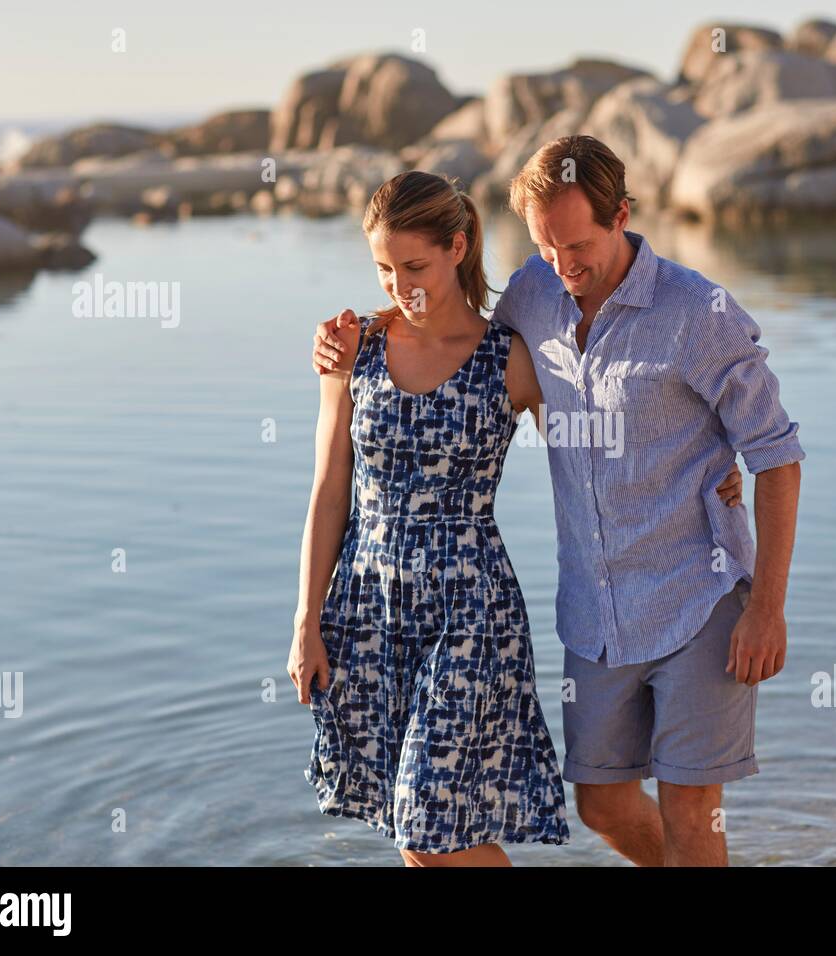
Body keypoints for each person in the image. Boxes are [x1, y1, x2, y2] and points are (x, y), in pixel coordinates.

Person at [309, 142, 776, 867]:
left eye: (578, 244)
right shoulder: (505, 307)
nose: (562, 264)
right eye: (544, 246)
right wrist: (309, 620)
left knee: (679, 810)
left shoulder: (649, 320)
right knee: (569, 810)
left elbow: (748, 445)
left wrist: (729, 479)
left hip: (610, 599)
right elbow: (344, 468)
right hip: (489, 610)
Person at [287, 170, 572, 866]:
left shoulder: (511, 362)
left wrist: (706, 476)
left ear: (457, 245)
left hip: (470, 614)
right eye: (383, 268)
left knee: (424, 822)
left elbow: (594, 461)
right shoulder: (353, 351)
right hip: (369, 608)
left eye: (413, 266)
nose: (396, 284)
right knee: (419, 832)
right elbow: (329, 489)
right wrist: (306, 621)